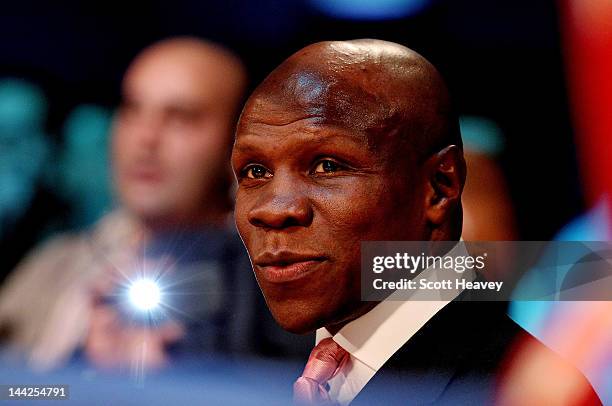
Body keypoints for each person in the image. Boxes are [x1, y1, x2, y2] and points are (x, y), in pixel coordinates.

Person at [231, 39, 600, 405]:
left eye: (328, 165)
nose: (272, 210)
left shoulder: (523, 394)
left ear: (439, 188)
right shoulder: (241, 373)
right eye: (255, 171)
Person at [0, 37, 307, 372]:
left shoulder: (276, 286)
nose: (146, 138)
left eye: (181, 117)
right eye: (132, 109)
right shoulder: (56, 264)